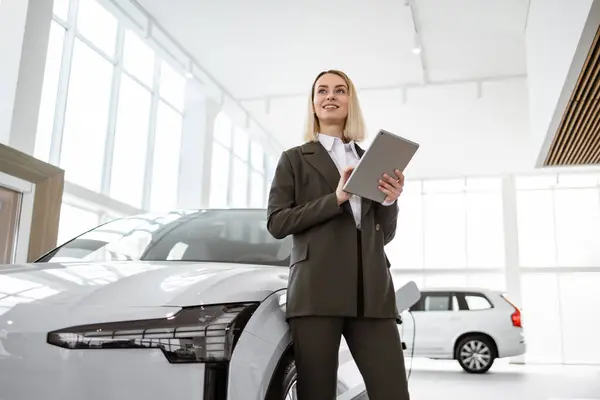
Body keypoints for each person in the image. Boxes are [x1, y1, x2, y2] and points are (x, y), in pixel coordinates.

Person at [266, 69, 410, 400]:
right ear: (313, 103)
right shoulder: (294, 160)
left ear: (350, 102)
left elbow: (383, 236)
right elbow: (277, 222)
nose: (331, 96)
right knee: (317, 393)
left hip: (372, 293)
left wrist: (390, 199)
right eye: (322, 91)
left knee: (393, 393)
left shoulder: (370, 160)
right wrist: (335, 199)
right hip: (317, 292)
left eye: (340, 90)